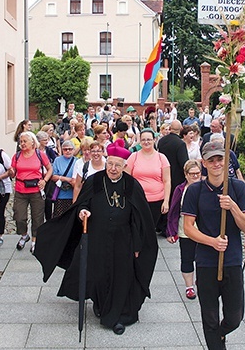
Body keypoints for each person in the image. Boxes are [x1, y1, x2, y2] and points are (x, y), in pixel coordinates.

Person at [34, 142, 158, 335]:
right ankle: (101, 305)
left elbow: (139, 218)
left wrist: (137, 244)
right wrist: (82, 212)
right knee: (100, 274)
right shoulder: (95, 180)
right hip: (98, 237)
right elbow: (82, 205)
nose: (113, 169)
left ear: (125, 165)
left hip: (123, 240)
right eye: (110, 164)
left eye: (117, 165)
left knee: (121, 275)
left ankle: (116, 316)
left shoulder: (132, 185)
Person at [182, 141, 245, 350]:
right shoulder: (195, 191)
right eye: (211, 160)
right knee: (210, 318)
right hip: (206, 261)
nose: (216, 163)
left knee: (235, 317)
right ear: (204, 162)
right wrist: (212, 242)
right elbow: (188, 228)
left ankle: (218, 336)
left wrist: (233, 207)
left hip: (231, 260)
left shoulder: (238, 187)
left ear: (226, 161)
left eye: (220, 159)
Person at [10, 131, 53, 253]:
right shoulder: (17, 156)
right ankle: (24, 235)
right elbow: (12, 172)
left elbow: (50, 169)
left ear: (33, 142)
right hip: (20, 190)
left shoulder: (40, 154)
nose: (22, 144)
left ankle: (35, 240)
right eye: (21, 142)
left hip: (36, 190)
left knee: (37, 217)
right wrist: (11, 172)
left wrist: (44, 180)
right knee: (19, 216)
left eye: (25, 141)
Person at [166, 160, 202, 300]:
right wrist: (171, 231)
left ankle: (202, 281)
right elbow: (174, 210)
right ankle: (189, 286)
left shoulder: (206, 187)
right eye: (191, 174)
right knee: (187, 257)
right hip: (185, 229)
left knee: (202, 258)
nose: (195, 176)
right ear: (186, 175)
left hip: (204, 229)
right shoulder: (180, 189)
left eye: (197, 173)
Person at [125, 128, 171, 229]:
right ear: (140, 141)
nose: (146, 142)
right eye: (143, 140)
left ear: (154, 140)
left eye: (149, 139)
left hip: (156, 200)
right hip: (137, 200)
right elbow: (126, 179)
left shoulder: (161, 157)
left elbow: (167, 181)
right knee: (137, 227)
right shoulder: (133, 157)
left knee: (150, 229)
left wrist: (166, 201)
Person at [157, 120, 189, 219]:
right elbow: (184, 162)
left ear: (170, 128)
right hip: (176, 176)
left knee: (164, 198)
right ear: (180, 130)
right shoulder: (180, 144)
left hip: (162, 174)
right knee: (174, 201)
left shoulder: (161, 141)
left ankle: (161, 223)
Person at [50, 140, 77, 219]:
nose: (68, 151)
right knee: (59, 218)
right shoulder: (57, 160)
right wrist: (66, 179)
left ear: (74, 150)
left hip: (73, 195)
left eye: (70, 149)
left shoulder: (78, 161)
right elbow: (53, 176)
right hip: (60, 195)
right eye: (65, 149)